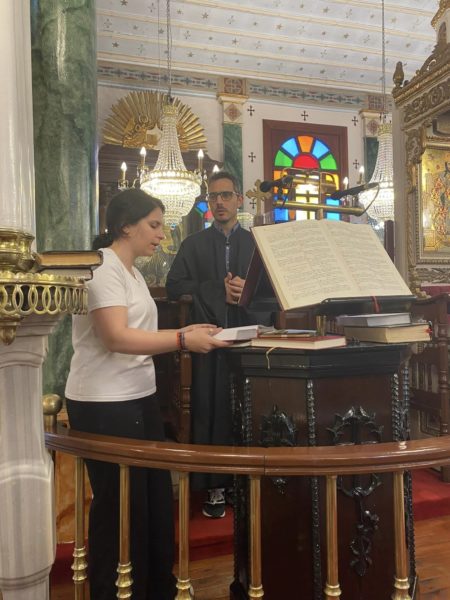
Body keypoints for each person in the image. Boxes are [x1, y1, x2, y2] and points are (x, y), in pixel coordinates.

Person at [65, 188, 230, 600]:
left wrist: (186, 332)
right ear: (126, 226)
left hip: (138, 396)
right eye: (154, 225)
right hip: (105, 402)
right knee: (121, 507)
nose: (161, 235)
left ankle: (153, 589)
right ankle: (116, 592)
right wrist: (182, 339)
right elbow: (116, 337)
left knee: (153, 501)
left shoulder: (133, 272)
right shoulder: (102, 267)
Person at [166, 170, 274, 518]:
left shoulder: (258, 243)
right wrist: (217, 290)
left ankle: (243, 483)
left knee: (248, 408)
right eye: (213, 196)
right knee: (211, 408)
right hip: (209, 341)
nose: (220, 202)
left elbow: (276, 289)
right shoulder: (193, 244)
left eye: (226, 195)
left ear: (239, 199)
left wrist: (248, 290)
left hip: (250, 339)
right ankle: (213, 485)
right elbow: (174, 285)